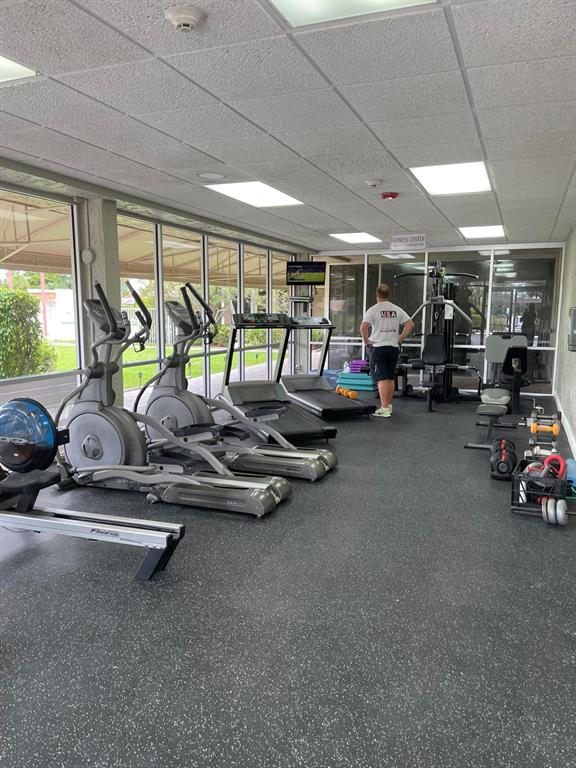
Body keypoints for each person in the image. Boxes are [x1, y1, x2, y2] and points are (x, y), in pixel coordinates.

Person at [360, 283, 414, 418]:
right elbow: (410, 324)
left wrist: (367, 341)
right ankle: (388, 405)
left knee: (382, 379)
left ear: (377, 295)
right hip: (393, 347)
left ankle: (384, 408)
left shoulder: (373, 310)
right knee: (390, 378)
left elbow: (363, 327)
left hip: (378, 348)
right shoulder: (396, 309)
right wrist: (400, 338)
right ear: (388, 295)